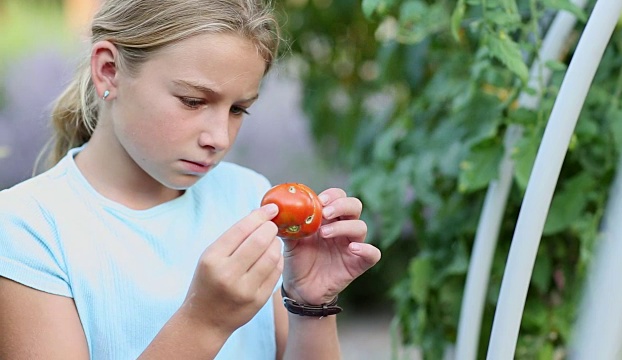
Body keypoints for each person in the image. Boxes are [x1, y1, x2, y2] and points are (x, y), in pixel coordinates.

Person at [0, 0, 382, 359]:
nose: (219, 137)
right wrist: (204, 322)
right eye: (193, 101)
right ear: (109, 71)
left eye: (238, 109)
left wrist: (310, 304)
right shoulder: (27, 228)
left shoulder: (248, 195)